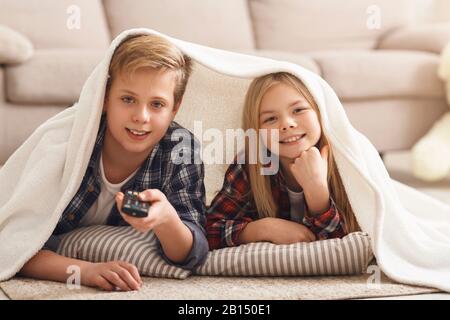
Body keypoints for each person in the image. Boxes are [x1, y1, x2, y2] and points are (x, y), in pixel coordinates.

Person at [19, 34, 209, 291]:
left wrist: (167, 219)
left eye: (157, 104)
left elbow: (190, 254)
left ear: (175, 108)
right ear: (105, 96)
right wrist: (84, 271)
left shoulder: (180, 148)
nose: (141, 116)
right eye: (128, 99)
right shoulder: (69, 141)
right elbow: (16, 245)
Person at [206, 72, 360, 250]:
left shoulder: (345, 162)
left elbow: (348, 247)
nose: (287, 124)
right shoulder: (250, 165)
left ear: (320, 112)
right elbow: (209, 231)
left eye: (298, 110)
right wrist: (262, 228)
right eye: (270, 119)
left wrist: (317, 193)